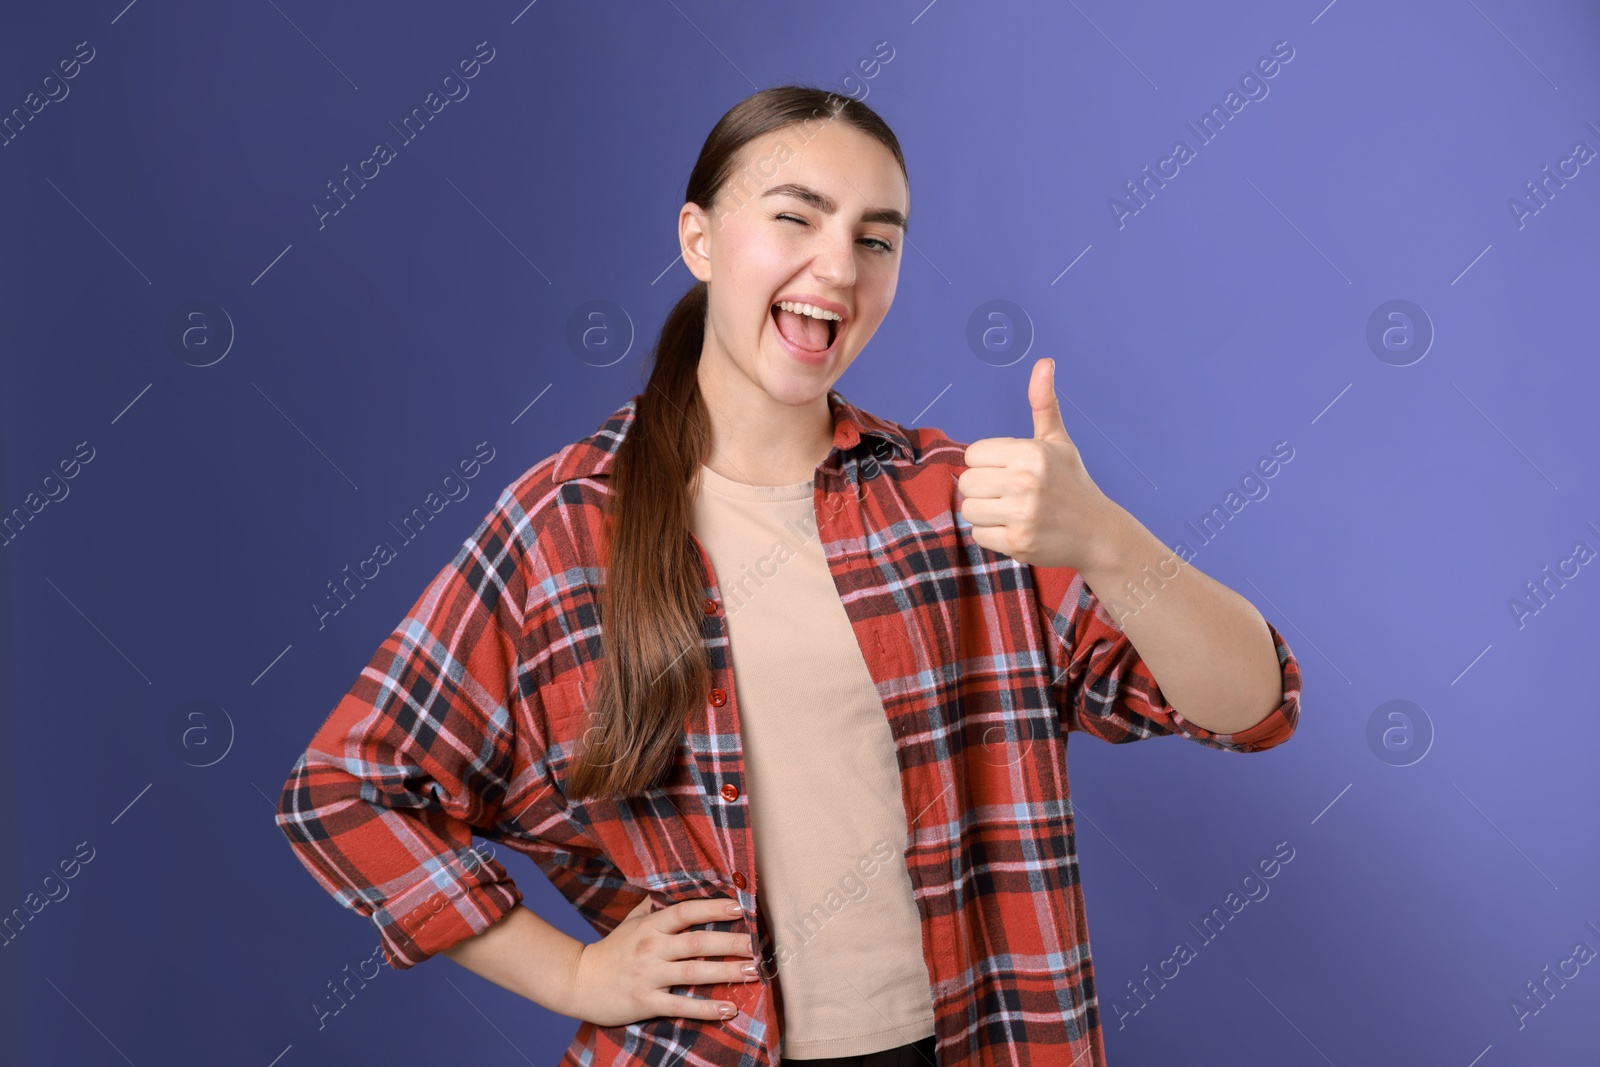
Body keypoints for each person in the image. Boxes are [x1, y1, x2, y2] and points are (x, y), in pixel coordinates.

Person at [274, 85, 1302, 1067]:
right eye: (795, 218)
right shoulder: (564, 521)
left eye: (875, 238)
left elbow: (1252, 704)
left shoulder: (955, 504)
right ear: (699, 238)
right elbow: (346, 790)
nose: (837, 267)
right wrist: (575, 973)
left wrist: (1111, 543)